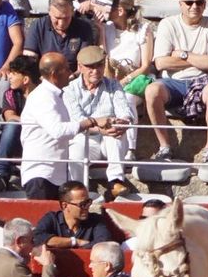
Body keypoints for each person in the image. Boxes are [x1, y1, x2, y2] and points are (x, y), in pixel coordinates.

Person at [144, 0, 208, 162]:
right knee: (151, 91)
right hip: (173, 82)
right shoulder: (168, 24)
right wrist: (200, 59)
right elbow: (161, 63)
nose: (194, 6)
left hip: (203, 81)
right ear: (180, 4)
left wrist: (183, 54)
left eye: (199, 2)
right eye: (189, 2)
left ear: (204, 5)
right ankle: (164, 146)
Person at [20, 53, 117, 200]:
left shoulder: (55, 96)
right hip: (41, 176)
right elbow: (59, 131)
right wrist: (92, 121)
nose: (71, 73)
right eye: (66, 69)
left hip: (55, 176)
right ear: (54, 74)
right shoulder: (42, 97)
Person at [63, 44, 138, 199]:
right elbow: (77, 119)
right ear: (80, 67)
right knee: (75, 149)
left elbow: (125, 111)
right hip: (85, 139)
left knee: (115, 135)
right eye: (90, 67)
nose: (95, 71)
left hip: (109, 141)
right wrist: (100, 128)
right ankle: (77, 189)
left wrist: (122, 123)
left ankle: (115, 182)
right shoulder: (70, 90)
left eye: (99, 66)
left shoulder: (114, 85)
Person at [0, 54, 37, 193]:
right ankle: (1, 174)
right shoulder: (10, 93)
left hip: (37, 137)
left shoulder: (42, 94)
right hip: (16, 140)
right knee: (12, 125)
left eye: (14, 74)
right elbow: (10, 116)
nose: (9, 77)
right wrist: (31, 122)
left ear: (26, 79)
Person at [34, 179, 122, 249]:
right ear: (64, 205)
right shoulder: (52, 219)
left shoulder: (96, 220)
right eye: (82, 204)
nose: (87, 207)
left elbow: (103, 242)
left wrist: (60, 243)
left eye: (88, 202)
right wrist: (75, 242)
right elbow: (37, 238)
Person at [24, 0, 99, 69]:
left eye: (66, 18)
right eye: (57, 18)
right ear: (49, 12)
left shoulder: (84, 28)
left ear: (72, 12)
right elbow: (30, 58)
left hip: (73, 74)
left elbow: (84, 64)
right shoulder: (38, 26)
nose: (61, 24)